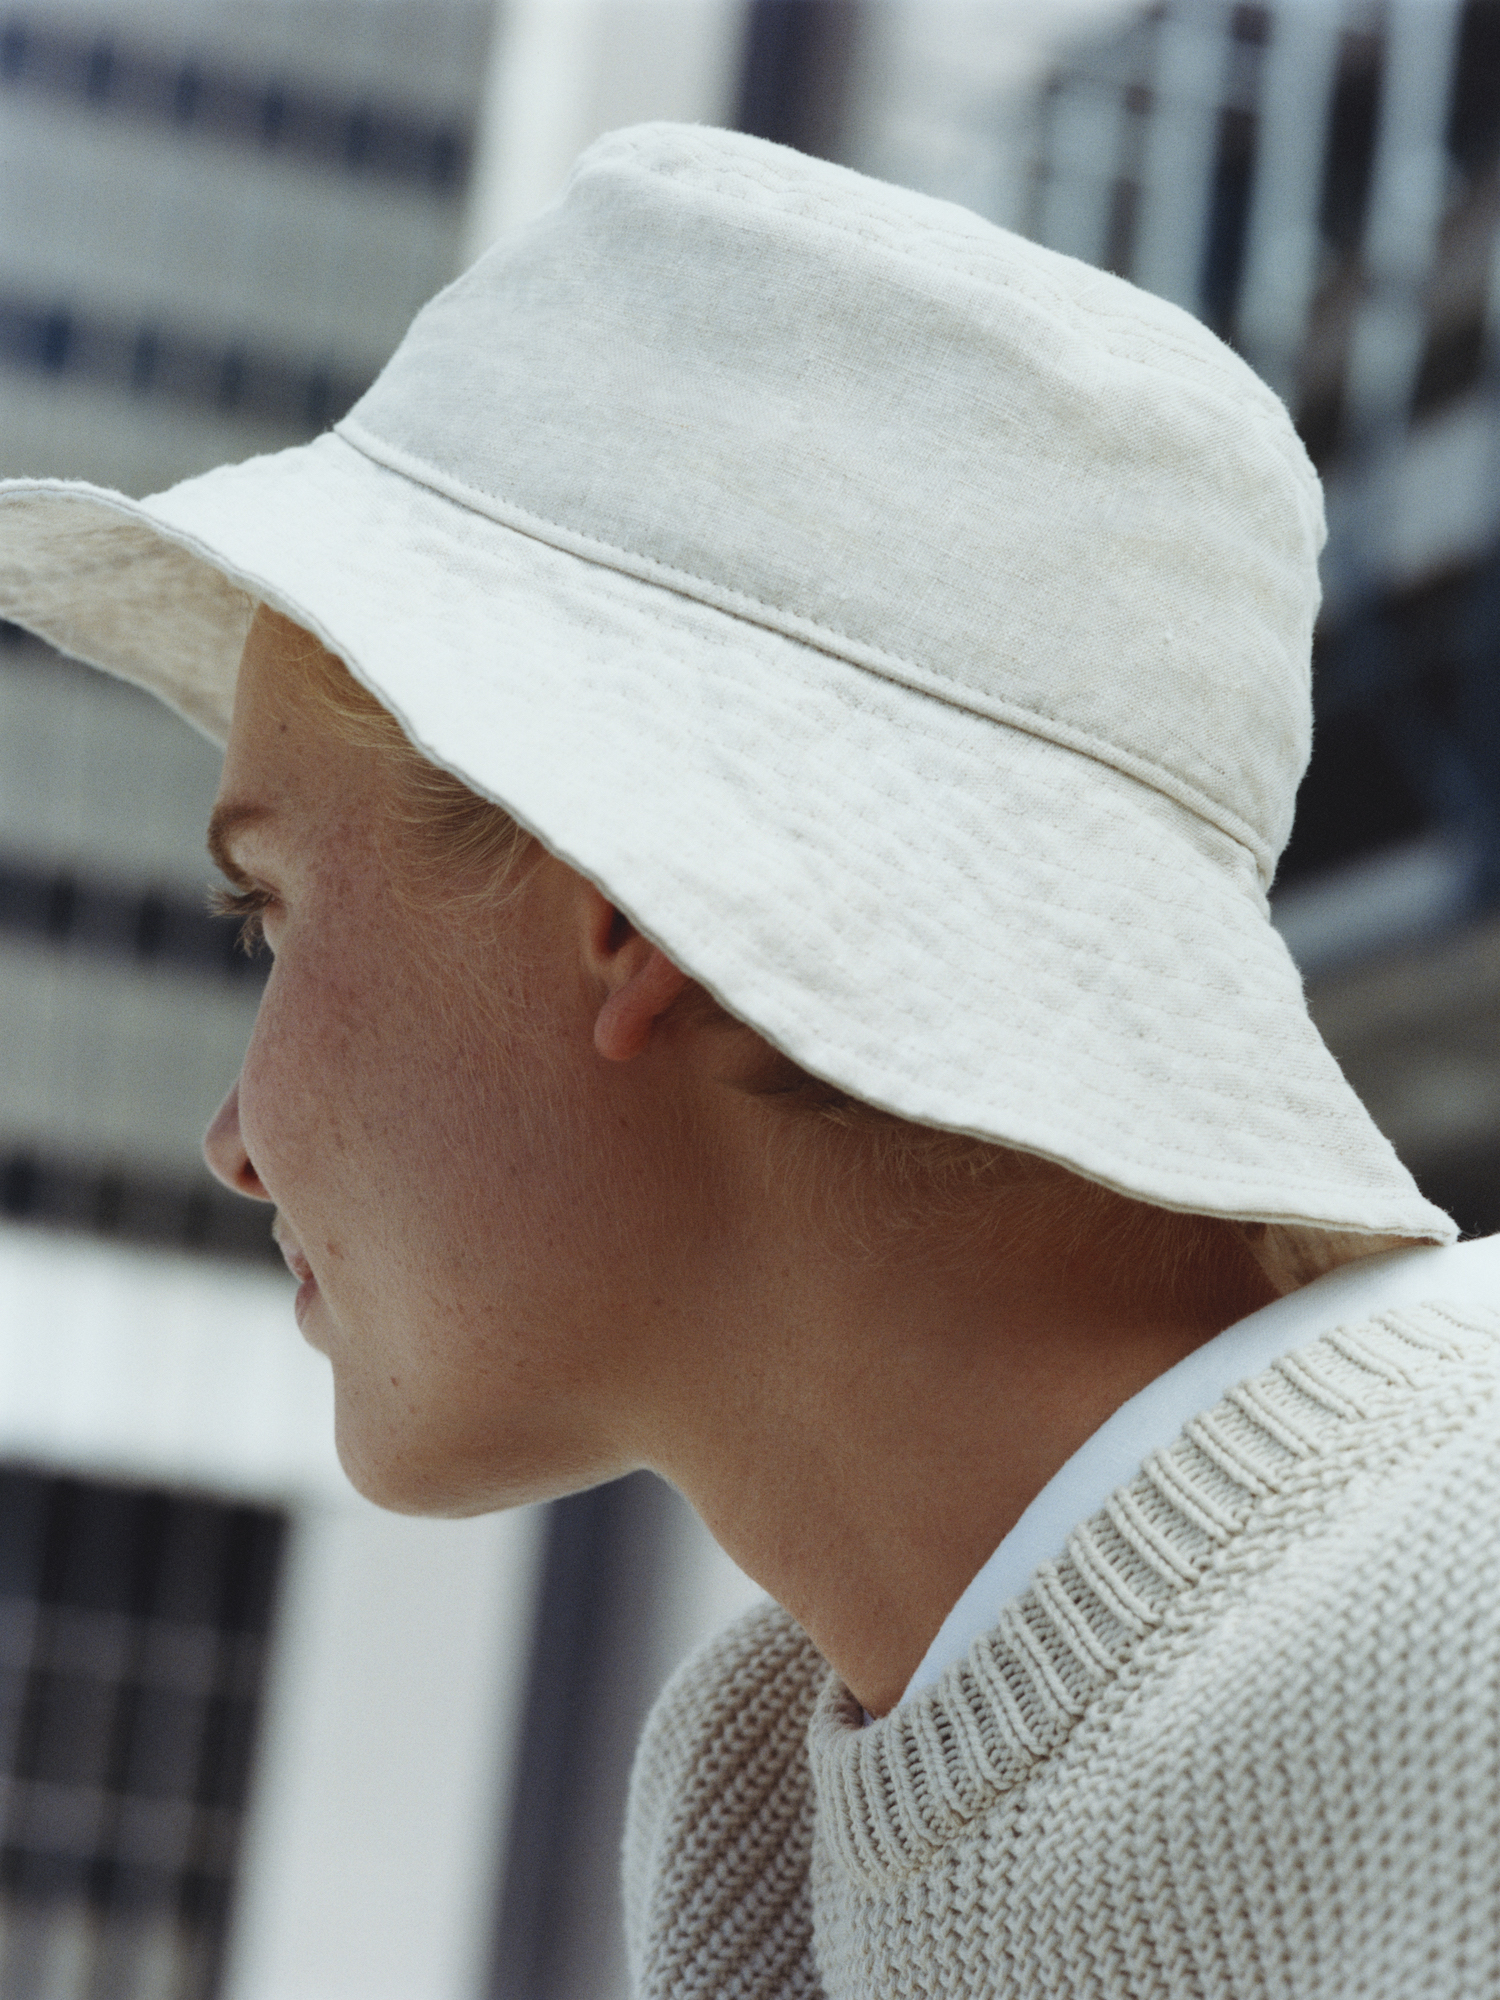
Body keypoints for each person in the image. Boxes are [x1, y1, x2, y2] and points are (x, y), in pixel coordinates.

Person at [2, 121, 1498, 1998]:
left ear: (628, 900)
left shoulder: (1464, 1620)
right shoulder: (762, 1818)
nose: (231, 1137)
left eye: (270, 916)